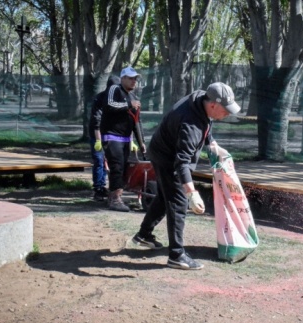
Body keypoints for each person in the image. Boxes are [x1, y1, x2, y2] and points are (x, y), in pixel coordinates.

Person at [132, 82, 240, 270]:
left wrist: (211, 142)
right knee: (178, 201)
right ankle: (176, 255)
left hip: (163, 149)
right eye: (226, 110)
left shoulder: (201, 99)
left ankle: (143, 235)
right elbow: (181, 163)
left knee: (166, 195)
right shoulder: (191, 125)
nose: (228, 114)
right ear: (213, 104)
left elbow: (206, 121)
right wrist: (191, 193)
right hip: (167, 157)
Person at [100, 66, 146, 212]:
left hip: (125, 139)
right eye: (131, 78)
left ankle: (114, 195)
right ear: (123, 78)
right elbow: (108, 105)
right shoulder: (115, 89)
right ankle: (115, 199)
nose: (134, 81)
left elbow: (136, 122)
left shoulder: (134, 98)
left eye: (135, 79)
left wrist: (141, 142)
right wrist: (128, 105)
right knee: (117, 167)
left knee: (123, 168)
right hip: (112, 136)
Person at [89, 75, 120, 201]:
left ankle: (114, 188)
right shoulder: (100, 99)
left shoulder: (118, 98)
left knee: (113, 161)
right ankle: (99, 189)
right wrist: (98, 140)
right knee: (99, 160)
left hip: (112, 134)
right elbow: (96, 121)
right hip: (97, 133)